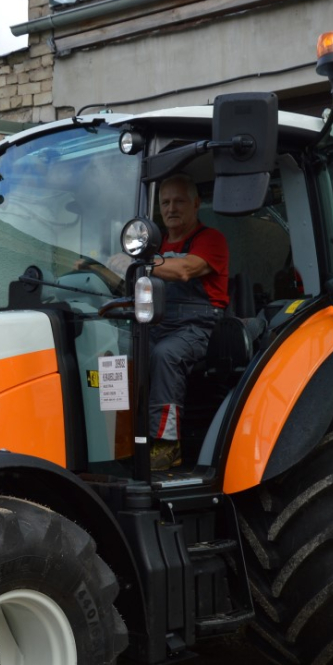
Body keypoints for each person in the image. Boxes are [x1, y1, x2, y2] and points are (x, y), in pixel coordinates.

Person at [137, 174, 230, 469]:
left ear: (196, 204)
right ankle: (125, 436)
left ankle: (167, 444)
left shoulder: (210, 240)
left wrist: (140, 263)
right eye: (165, 202)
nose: (171, 208)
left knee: (166, 355)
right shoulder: (157, 246)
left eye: (178, 201)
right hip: (158, 323)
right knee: (124, 352)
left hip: (200, 326)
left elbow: (184, 270)